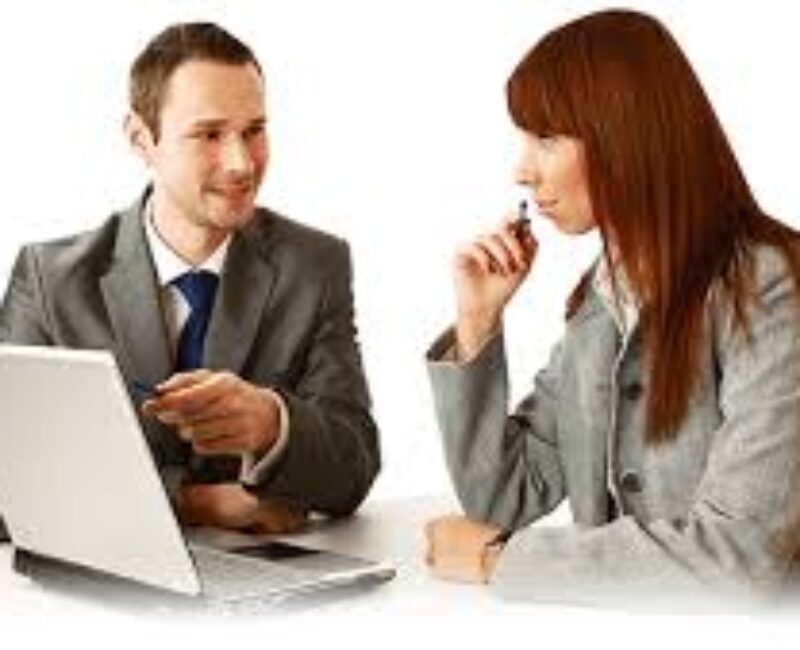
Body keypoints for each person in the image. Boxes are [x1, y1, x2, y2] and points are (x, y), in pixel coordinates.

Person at [424, 9, 800, 604]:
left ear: (624, 134)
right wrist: (477, 322)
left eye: (546, 138)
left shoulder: (768, 284)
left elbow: (742, 555)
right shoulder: (601, 300)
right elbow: (506, 498)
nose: (522, 170)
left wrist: (501, 560)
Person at [0, 22, 380, 538]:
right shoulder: (51, 281)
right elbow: (11, 482)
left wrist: (273, 424)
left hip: (268, 595)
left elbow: (353, 470)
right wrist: (190, 502)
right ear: (141, 139)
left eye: (254, 130)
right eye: (209, 134)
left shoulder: (314, 266)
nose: (241, 162)